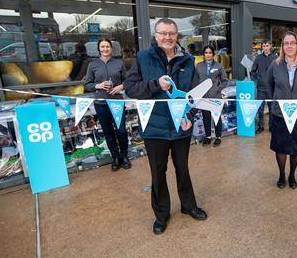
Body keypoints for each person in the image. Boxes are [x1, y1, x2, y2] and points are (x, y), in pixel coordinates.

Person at [125, 18, 207, 235]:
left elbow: (196, 94)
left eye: (171, 33)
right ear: (155, 35)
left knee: (183, 169)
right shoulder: (144, 58)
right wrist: (155, 85)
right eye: (163, 33)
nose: (168, 37)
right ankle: (161, 215)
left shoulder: (188, 60)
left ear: (177, 35)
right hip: (154, 128)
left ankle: (189, 206)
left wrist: (188, 114)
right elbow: (130, 88)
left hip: (181, 127)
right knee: (157, 173)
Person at [267, 31, 297, 189]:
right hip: (280, 114)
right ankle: (282, 174)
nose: (289, 46)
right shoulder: (275, 64)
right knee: (281, 147)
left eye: (292, 43)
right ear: (282, 46)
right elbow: (269, 86)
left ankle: (292, 174)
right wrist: (277, 101)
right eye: (286, 43)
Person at [84, 38, 131, 172]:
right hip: (101, 103)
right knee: (108, 132)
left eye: (107, 46)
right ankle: (115, 157)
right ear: (99, 48)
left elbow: (127, 80)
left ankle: (125, 156)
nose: (105, 49)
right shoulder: (93, 65)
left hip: (117, 101)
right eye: (102, 47)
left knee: (121, 130)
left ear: (111, 48)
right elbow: (87, 84)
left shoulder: (119, 63)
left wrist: (120, 86)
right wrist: (97, 85)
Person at [195, 45, 228, 147]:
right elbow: (195, 80)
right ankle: (208, 137)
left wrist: (217, 90)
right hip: (204, 97)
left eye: (210, 53)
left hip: (215, 97)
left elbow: (225, 80)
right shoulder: (198, 66)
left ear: (213, 54)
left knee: (216, 118)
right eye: (206, 53)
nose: (208, 54)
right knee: (206, 117)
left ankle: (218, 137)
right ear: (203, 54)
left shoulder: (218, 66)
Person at [251, 40, 277, 133]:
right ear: (262, 47)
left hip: (271, 88)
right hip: (260, 88)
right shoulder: (258, 58)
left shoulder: (275, 57)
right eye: (264, 46)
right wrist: (258, 79)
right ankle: (261, 127)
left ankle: (271, 126)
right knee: (260, 109)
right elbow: (253, 71)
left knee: (272, 109)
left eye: (267, 45)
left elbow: (278, 71)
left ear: (270, 46)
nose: (265, 48)